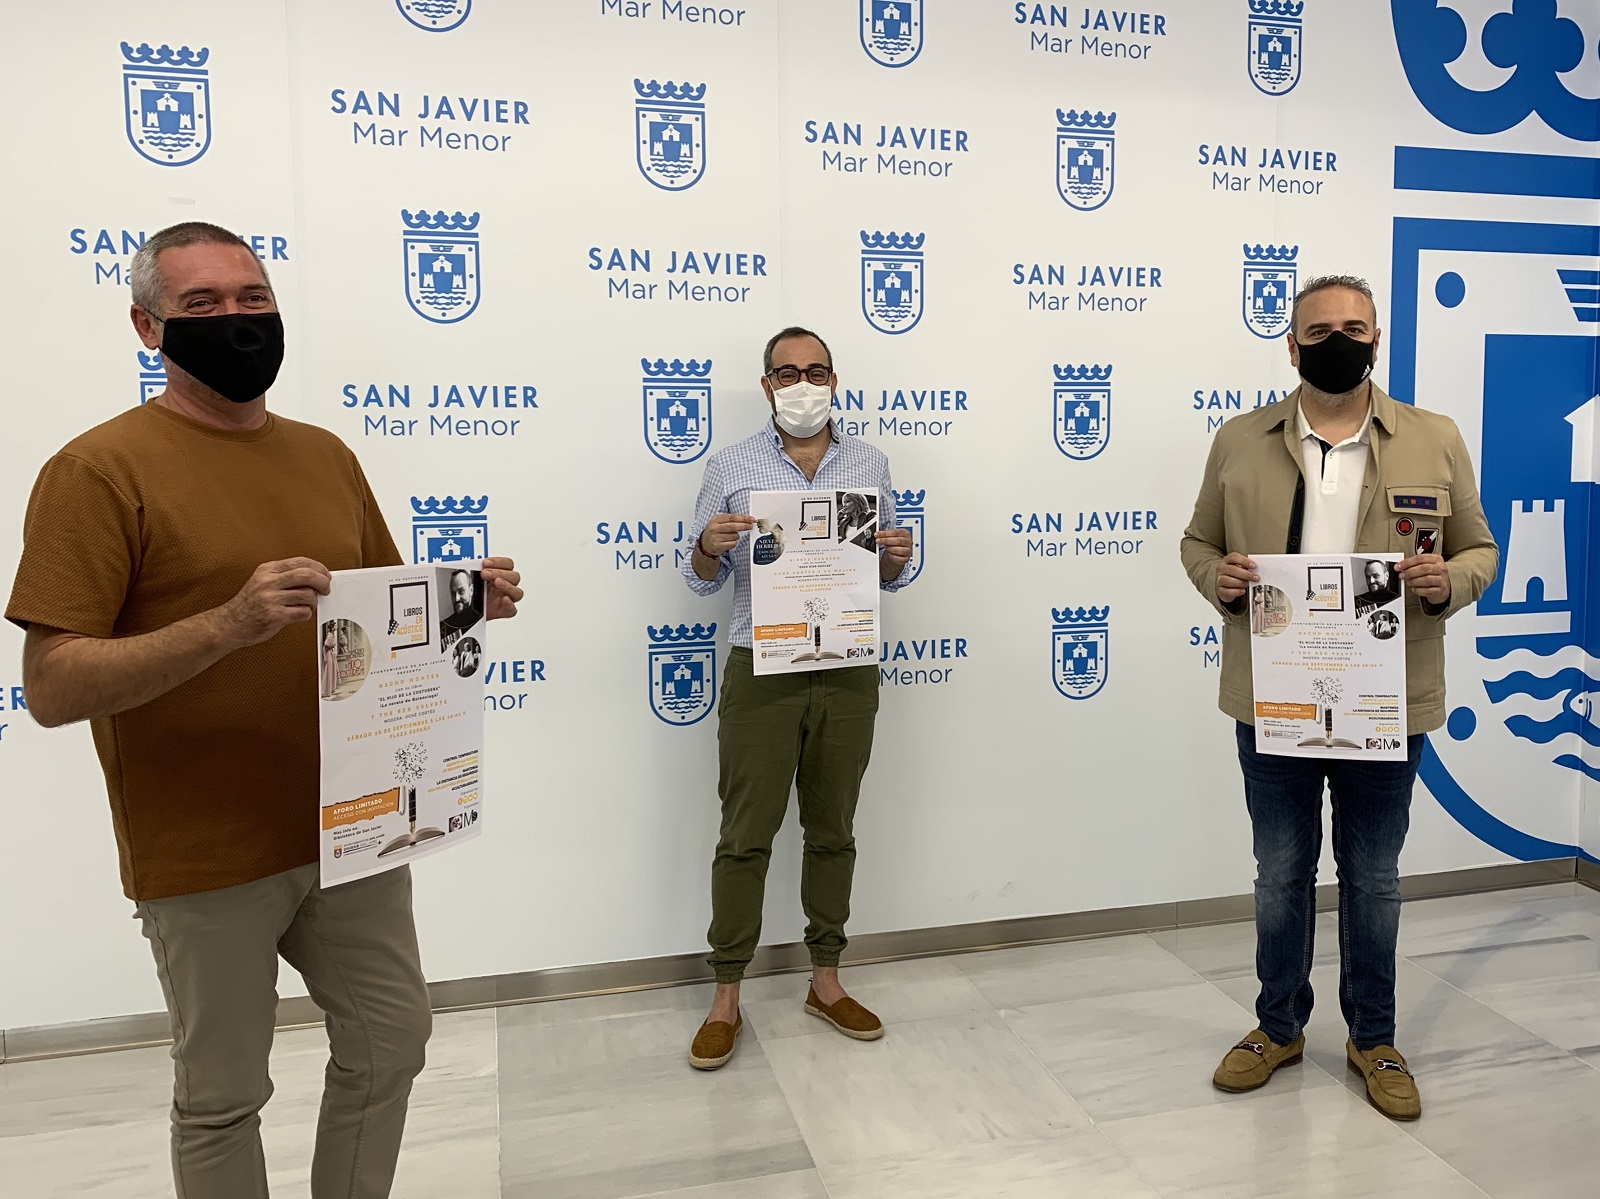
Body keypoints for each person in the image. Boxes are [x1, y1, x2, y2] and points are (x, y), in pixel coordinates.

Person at [5, 222, 524, 1199]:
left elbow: (379, 617)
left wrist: (463, 604)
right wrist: (226, 624)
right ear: (147, 327)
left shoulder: (326, 454)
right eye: (200, 304)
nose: (235, 320)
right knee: (223, 1094)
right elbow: (54, 685)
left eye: (253, 299)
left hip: (354, 826)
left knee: (392, 1040)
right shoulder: (99, 469)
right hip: (202, 849)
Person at [1179, 275, 1498, 1120]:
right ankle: (1277, 1026)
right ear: (1291, 345)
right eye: (1318, 330)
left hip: (1385, 700)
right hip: (1274, 697)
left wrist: (1447, 581)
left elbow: (1480, 549)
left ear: (1377, 339)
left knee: (1374, 877)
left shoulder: (1434, 437)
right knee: (1281, 874)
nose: (1338, 341)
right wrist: (1219, 578)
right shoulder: (1240, 439)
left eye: (1354, 328)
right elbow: (1198, 541)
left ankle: (1374, 1037)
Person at [680, 326, 914, 1070]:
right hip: (763, 667)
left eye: (816, 371)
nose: (803, 383)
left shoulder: (870, 463)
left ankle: (826, 979)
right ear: (767, 385)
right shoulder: (730, 465)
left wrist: (899, 556)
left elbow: (891, 574)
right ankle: (726, 994)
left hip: (846, 665)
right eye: (787, 373)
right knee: (744, 835)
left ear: (834, 381)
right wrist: (708, 546)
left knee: (833, 828)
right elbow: (697, 578)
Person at [439, 567, 483, 653]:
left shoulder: (482, 621)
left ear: (471, 590)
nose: (456, 598)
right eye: (453, 593)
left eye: (461, 591)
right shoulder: (442, 627)